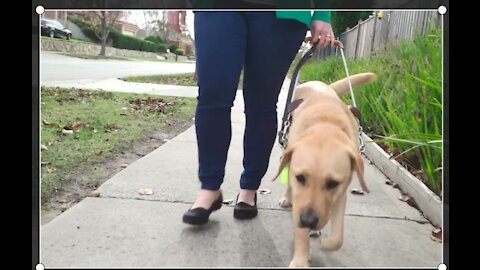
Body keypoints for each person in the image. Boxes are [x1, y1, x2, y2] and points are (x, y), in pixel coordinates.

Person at [183, 1, 335, 225]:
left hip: (280, 12)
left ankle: (249, 188)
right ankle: (209, 187)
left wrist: (323, 11)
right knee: (212, 95)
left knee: (262, 103)